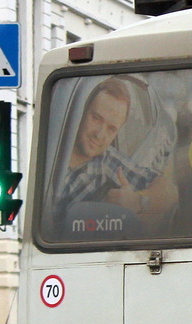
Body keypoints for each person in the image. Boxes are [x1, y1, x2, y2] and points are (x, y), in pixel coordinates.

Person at [54, 76, 177, 225]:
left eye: (111, 129)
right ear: (82, 110)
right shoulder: (53, 144)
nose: (99, 134)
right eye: (96, 118)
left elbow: (170, 192)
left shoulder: (108, 163)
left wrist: (137, 201)